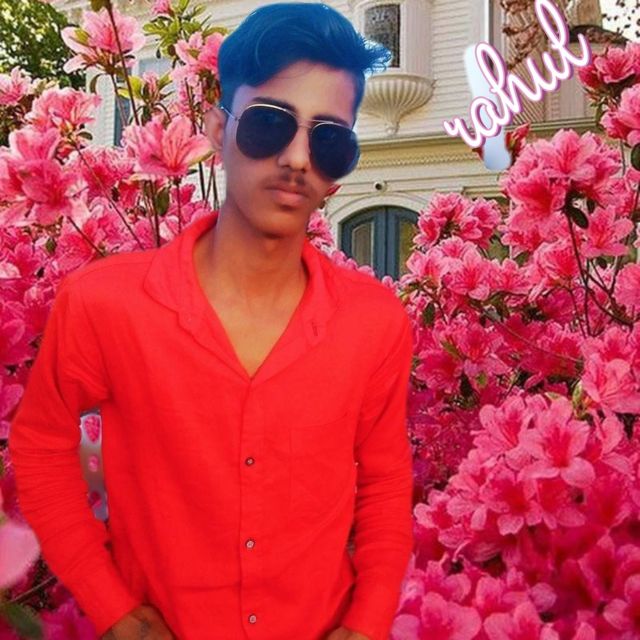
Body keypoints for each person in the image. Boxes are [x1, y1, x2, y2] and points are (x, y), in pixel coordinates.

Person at [8, 3, 416, 639]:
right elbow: (41, 448)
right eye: (270, 123)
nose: (297, 159)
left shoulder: (375, 322)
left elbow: (386, 483)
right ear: (217, 127)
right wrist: (110, 605)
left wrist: (366, 624)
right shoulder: (105, 303)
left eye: (329, 140)